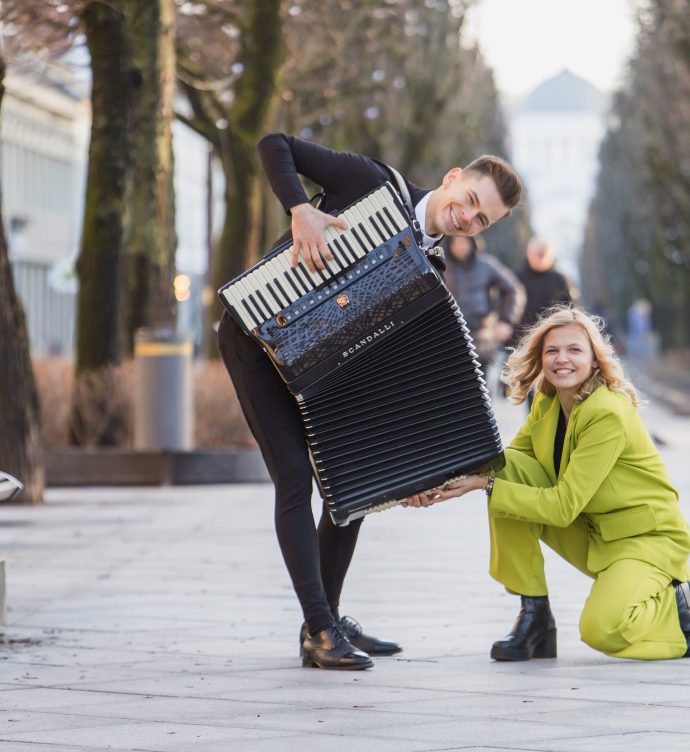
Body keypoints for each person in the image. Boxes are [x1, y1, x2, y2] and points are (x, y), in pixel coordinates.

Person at [217, 133, 523, 670]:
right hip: (257, 339)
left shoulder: (432, 270)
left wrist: (413, 470)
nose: (468, 219)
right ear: (454, 177)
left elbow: (399, 372)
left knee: (354, 483)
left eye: (482, 222)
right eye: (471, 200)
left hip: (321, 362)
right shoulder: (374, 184)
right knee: (294, 478)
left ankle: (327, 619)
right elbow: (273, 144)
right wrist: (300, 212)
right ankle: (318, 629)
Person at [406, 305, 690, 662]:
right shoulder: (548, 402)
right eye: (552, 351)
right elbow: (503, 465)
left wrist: (482, 486)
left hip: (644, 540)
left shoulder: (606, 412)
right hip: (595, 530)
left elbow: (563, 507)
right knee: (506, 471)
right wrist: (431, 482)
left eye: (574, 350)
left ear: (595, 360)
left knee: (601, 630)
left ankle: (676, 607)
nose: (562, 359)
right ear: (541, 358)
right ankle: (534, 616)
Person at [443, 235, 524, 378]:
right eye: (455, 242)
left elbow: (513, 289)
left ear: (472, 242)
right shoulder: (442, 267)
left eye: (463, 242)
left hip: (482, 340)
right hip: (449, 339)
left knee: (481, 389)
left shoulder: (487, 265)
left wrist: (506, 320)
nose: (459, 246)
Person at [512, 237, 578, 406]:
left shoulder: (561, 280)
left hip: (555, 344)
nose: (541, 257)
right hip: (525, 343)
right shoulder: (516, 278)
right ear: (529, 254)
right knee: (531, 392)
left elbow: (572, 311)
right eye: (537, 254)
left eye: (544, 254)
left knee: (554, 389)